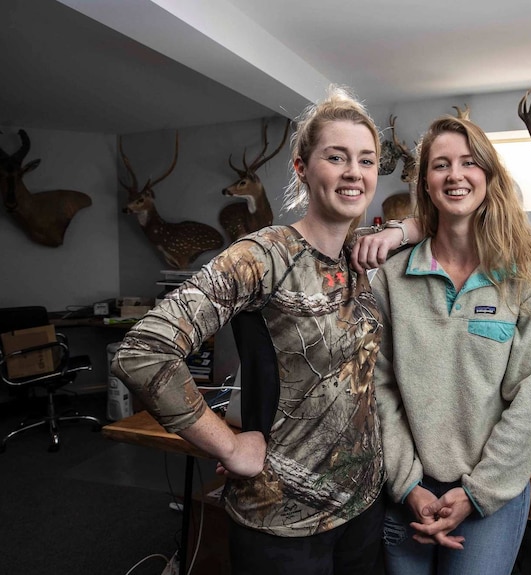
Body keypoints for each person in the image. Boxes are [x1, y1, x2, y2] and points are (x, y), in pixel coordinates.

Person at [111, 86, 416, 575]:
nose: (353, 173)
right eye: (336, 157)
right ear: (301, 166)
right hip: (281, 519)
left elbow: (446, 219)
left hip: (361, 508)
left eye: (366, 160)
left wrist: (401, 230)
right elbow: (143, 352)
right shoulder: (262, 255)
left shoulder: (360, 252)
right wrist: (227, 445)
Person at [371, 115, 531, 575]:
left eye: (469, 162)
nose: (455, 175)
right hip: (408, 490)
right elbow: (380, 391)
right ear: (426, 182)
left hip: (488, 493)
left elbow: (529, 403)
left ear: (488, 177)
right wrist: (408, 486)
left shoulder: (529, 284)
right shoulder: (390, 281)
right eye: (441, 165)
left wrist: (478, 492)